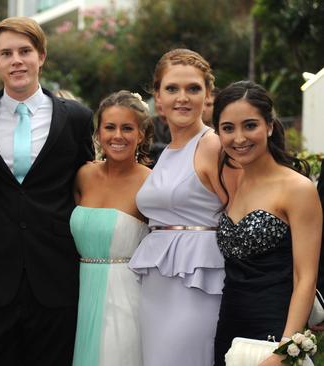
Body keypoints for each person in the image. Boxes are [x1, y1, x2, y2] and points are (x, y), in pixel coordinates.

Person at [0, 17, 94, 365]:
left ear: (41, 56)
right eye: (6, 53)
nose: (16, 60)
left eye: (25, 51)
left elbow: (88, 186)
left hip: (56, 274)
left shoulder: (77, 118)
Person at [128, 48, 231, 366]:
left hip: (197, 284)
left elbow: (240, 213)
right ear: (157, 98)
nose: (182, 98)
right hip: (157, 286)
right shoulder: (168, 152)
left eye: (193, 89)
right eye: (172, 88)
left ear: (208, 95)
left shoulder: (212, 145)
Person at [212, 81, 322, 366]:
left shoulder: (297, 188)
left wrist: (286, 349)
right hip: (229, 329)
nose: (239, 138)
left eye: (250, 125)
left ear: (270, 126)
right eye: (228, 128)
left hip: (274, 333)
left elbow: (305, 277)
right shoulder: (233, 182)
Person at [71, 91, 152, 366]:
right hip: (82, 294)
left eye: (127, 128)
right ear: (98, 133)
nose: (118, 136)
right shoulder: (84, 176)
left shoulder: (151, 184)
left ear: (140, 134)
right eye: (110, 127)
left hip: (128, 299)